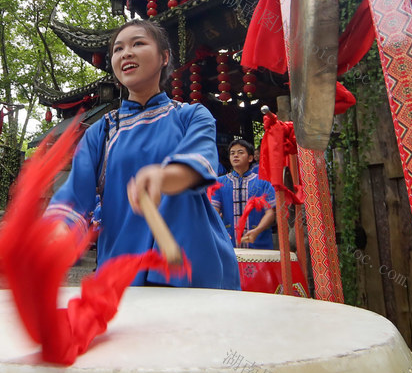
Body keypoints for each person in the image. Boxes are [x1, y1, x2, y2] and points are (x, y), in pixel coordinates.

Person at [48, 20, 239, 289]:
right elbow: (74, 198)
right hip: (123, 268)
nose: (126, 53)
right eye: (118, 49)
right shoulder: (101, 132)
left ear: (164, 57)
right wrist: (55, 233)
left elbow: (200, 162)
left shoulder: (191, 116)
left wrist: (165, 177)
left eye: (138, 43)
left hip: (193, 262)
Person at [212, 139, 278, 248]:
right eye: (232, 153)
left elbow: (271, 213)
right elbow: (214, 212)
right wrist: (220, 232)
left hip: (259, 243)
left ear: (250, 158)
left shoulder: (264, 182)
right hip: (229, 243)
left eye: (240, 152)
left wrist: (257, 230)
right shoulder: (219, 183)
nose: (235, 155)